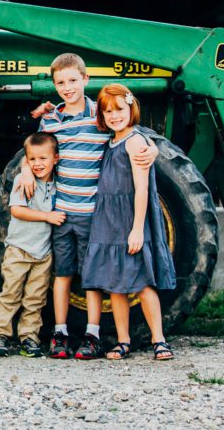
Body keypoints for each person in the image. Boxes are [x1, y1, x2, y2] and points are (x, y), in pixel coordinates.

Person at [17, 52, 157, 360]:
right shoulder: (51, 119)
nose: (67, 87)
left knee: (92, 277)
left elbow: (128, 132)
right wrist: (27, 168)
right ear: (54, 85)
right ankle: (60, 332)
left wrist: (153, 146)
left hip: (94, 216)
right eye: (60, 82)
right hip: (62, 213)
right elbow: (35, 149)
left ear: (86, 80)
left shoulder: (99, 115)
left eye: (72, 81)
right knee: (63, 273)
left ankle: (92, 334)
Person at [81, 84, 177, 360]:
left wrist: (137, 229)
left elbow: (142, 188)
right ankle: (123, 341)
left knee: (143, 283)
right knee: (115, 285)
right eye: (107, 111)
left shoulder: (135, 142)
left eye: (119, 110)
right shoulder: (111, 141)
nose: (113, 116)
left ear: (131, 109)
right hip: (108, 221)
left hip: (130, 220)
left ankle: (159, 339)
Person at [0, 133, 66, 358]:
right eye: (32, 159)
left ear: (56, 159)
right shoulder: (25, 182)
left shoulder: (57, 184)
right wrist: (47, 216)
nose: (37, 164)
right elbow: (17, 211)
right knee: (11, 294)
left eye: (43, 159)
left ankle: (29, 337)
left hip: (43, 254)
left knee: (35, 298)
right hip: (19, 250)